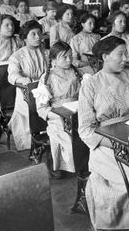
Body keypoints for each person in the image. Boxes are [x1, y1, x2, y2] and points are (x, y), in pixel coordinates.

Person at [79, 36, 129, 230]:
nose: (126, 58)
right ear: (105, 56)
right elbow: (85, 130)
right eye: (121, 54)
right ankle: (127, 224)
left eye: (126, 53)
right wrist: (117, 142)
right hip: (106, 144)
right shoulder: (91, 85)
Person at [37, 41, 83, 177]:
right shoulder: (47, 78)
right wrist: (58, 115)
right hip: (57, 115)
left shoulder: (76, 72)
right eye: (64, 57)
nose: (69, 60)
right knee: (64, 135)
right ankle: (63, 167)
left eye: (70, 56)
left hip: (78, 110)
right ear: (53, 60)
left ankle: (85, 165)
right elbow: (42, 108)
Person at [8, 20, 47, 151]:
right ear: (25, 37)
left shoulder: (46, 52)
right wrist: (22, 79)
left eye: (40, 34)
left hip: (46, 91)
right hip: (27, 93)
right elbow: (12, 75)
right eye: (33, 34)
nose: (38, 37)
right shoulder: (17, 56)